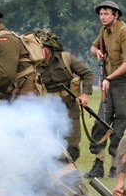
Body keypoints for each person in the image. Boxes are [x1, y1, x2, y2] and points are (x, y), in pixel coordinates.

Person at [84, 0, 126, 179]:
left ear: (115, 15)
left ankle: (115, 168)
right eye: (101, 14)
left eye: (106, 13)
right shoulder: (104, 31)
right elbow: (93, 47)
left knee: (118, 125)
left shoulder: (125, 32)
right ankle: (98, 164)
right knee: (101, 121)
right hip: (111, 82)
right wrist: (97, 52)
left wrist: (109, 78)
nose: (103, 17)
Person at [34, 28, 95, 162]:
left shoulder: (66, 58)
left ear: (49, 48)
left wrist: (84, 94)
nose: (39, 52)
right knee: (46, 145)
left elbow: (87, 74)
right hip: (47, 109)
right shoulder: (33, 65)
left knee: (72, 148)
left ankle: (65, 171)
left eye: (42, 48)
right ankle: (52, 174)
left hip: (69, 106)